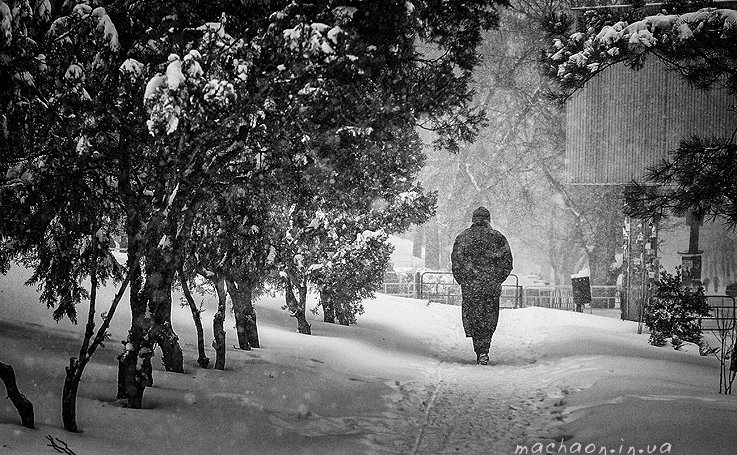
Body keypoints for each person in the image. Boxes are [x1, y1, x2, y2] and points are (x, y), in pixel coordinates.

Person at [451, 207, 513, 365]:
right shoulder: (498, 238)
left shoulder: (463, 237)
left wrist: (464, 280)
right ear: (488, 220)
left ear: (473, 219)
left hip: (471, 286)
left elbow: (456, 262)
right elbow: (507, 263)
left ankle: (479, 349)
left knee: (474, 317)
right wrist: (496, 279)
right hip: (490, 286)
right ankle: (484, 349)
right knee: (489, 318)